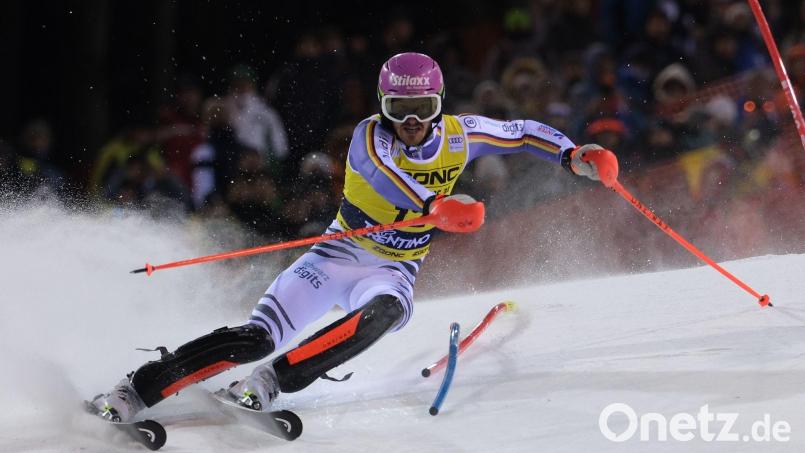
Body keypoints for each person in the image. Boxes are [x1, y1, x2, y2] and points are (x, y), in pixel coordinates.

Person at [89, 52, 615, 422]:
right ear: (383, 106)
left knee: (382, 315)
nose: (411, 123)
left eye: (423, 110)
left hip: (393, 268)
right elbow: (387, 176)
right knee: (256, 337)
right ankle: (137, 388)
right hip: (338, 255)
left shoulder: (460, 134)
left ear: (439, 104)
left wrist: (573, 155)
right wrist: (436, 205)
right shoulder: (368, 136)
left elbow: (521, 131)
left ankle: (275, 383)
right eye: (399, 111)